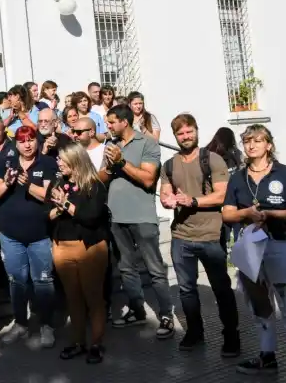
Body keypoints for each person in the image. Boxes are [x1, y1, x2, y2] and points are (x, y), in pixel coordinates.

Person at [223, 125, 286, 382]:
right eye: (247, 141)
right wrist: (246, 214)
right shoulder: (238, 178)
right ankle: (267, 355)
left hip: (280, 244)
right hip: (250, 248)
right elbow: (227, 213)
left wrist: (271, 214)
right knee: (260, 305)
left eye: (257, 141)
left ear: (268, 145)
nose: (251, 146)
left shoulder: (284, 173)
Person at [160, 114, 240, 356]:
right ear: (175, 137)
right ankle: (195, 332)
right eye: (180, 134)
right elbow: (165, 193)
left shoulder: (212, 159)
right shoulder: (170, 165)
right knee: (186, 289)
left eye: (188, 131)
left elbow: (221, 195)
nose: (185, 137)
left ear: (196, 130)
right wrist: (168, 200)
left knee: (221, 288)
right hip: (181, 236)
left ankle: (231, 336)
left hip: (210, 235)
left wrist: (192, 200)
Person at [99, 105, 174, 339]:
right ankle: (137, 309)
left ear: (124, 121)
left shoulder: (148, 143)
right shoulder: (111, 146)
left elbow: (149, 179)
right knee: (125, 267)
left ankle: (166, 315)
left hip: (141, 217)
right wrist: (109, 168)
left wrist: (122, 163)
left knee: (154, 268)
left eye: (111, 122)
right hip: (116, 217)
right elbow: (101, 178)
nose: (107, 126)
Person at [0, 126, 57, 347]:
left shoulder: (47, 163)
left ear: (36, 141)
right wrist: (7, 183)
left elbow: (49, 197)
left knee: (43, 282)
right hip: (11, 235)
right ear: (16, 144)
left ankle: (47, 325)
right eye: (22, 141)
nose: (27, 144)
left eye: (31, 140)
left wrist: (28, 184)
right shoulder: (6, 163)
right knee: (17, 282)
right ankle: (20, 323)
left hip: (40, 235)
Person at [48, 144, 110, 364]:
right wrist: (57, 208)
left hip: (89, 248)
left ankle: (96, 343)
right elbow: (49, 213)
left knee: (93, 298)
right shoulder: (59, 183)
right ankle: (77, 342)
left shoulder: (95, 186)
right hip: (62, 248)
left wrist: (65, 205)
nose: (58, 163)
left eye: (62, 160)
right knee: (72, 298)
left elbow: (91, 217)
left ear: (75, 161)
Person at [207, 126, 244, 245]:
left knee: (221, 230)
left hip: (215, 196)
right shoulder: (236, 153)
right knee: (237, 224)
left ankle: (224, 247)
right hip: (235, 197)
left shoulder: (208, 153)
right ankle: (238, 249)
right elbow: (241, 171)